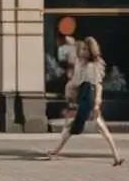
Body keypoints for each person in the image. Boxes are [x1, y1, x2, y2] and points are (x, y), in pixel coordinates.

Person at [46, 37, 124, 166]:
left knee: (75, 127)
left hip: (88, 96)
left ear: (91, 50)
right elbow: (76, 82)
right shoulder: (80, 63)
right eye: (82, 48)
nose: (83, 51)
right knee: (98, 127)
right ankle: (116, 157)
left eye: (85, 49)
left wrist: (97, 102)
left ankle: (55, 150)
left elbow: (97, 84)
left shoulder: (93, 65)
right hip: (83, 96)